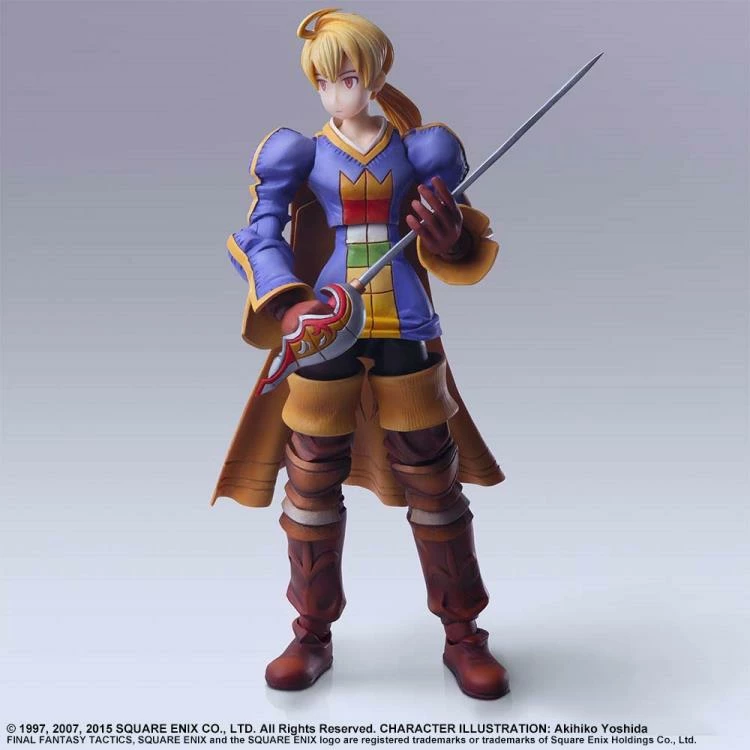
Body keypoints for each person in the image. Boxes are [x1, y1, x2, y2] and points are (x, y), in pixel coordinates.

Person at [212, 8, 508, 700]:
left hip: (403, 317)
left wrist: (450, 239)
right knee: (311, 475)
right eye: (322, 82)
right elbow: (257, 233)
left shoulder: (422, 150)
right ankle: (311, 633)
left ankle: (463, 633)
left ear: (375, 76)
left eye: (346, 78)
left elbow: (461, 235)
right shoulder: (299, 153)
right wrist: (289, 304)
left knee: (433, 475)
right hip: (330, 320)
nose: (334, 94)